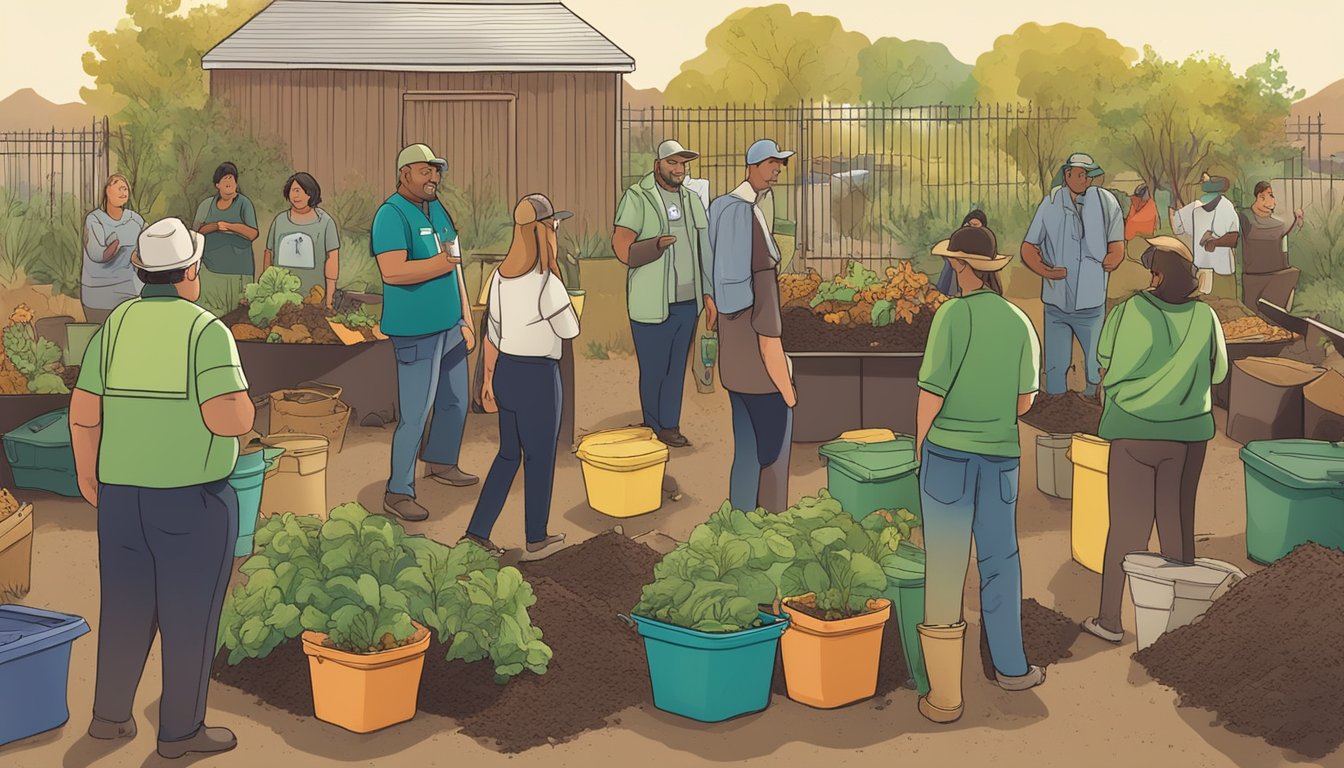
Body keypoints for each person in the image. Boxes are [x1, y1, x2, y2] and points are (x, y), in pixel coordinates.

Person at [69, 217, 253, 759]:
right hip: (192, 499)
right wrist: (246, 407)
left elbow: (84, 410)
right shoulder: (206, 331)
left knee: (125, 605)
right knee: (189, 613)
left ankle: (109, 717)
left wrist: (87, 471)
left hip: (121, 497)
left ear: (141, 272)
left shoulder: (117, 325)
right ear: (190, 272)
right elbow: (230, 418)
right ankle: (180, 733)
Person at [915, 224, 1045, 725]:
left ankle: (945, 697)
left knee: (946, 565)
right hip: (1001, 456)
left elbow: (931, 392)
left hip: (948, 454)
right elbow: (1025, 401)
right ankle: (1011, 668)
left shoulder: (950, 316)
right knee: (1000, 558)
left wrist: (920, 447)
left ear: (961, 266)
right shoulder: (1019, 320)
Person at [1082, 236, 1228, 643]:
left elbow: (1104, 359)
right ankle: (1178, 627)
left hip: (1131, 431)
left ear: (1161, 275)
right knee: (1177, 527)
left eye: (1154, 269)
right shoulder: (1205, 317)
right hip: (1187, 436)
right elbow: (1219, 374)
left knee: (1127, 529)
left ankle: (1110, 620)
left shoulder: (1129, 310)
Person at [464, 194, 579, 558]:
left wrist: (487, 381)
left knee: (508, 454)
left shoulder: (499, 277)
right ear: (544, 231)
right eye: (554, 226)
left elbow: (492, 333)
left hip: (507, 374)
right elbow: (570, 328)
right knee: (540, 457)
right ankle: (536, 537)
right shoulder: (547, 282)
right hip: (539, 378)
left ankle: (477, 531)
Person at [371, 144, 478, 522]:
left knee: (455, 401)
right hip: (416, 331)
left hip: (449, 325)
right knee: (415, 414)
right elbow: (393, 271)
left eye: (436, 172)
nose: (433, 178)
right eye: (424, 171)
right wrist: (440, 263)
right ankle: (398, 491)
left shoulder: (438, 210)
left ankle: (441, 462)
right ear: (404, 174)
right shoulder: (390, 215)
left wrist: (466, 317)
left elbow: (457, 267)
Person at [707, 138, 796, 514]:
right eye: (772, 164)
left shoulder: (720, 210)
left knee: (744, 451)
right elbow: (769, 339)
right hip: (761, 377)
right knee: (773, 455)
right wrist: (788, 389)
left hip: (733, 368)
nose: (777, 170)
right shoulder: (763, 279)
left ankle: (738, 523)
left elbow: (710, 290)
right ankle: (772, 529)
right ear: (753, 166)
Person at [611, 139, 716, 447]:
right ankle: (651, 424)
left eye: (683, 164)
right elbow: (621, 245)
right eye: (673, 163)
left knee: (675, 369)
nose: (679, 169)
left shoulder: (693, 200)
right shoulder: (637, 197)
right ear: (658, 166)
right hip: (651, 300)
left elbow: (704, 251)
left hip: (687, 302)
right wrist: (653, 246)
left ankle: (669, 425)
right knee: (653, 367)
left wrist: (708, 295)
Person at [1021, 152, 1125, 398]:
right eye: (1080, 175)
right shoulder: (1051, 203)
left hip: (1091, 301)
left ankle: (1091, 403)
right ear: (1067, 175)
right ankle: (1057, 405)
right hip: (1057, 300)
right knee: (1056, 365)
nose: (1085, 180)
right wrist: (1046, 271)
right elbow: (1028, 248)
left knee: (1093, 365)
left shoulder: (1106, 202)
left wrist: (1114, 257)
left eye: (1089, 175)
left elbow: (1117, 243)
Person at [263, 172, 341, 307]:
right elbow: (269, 253)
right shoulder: (279, 221)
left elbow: (332, 259)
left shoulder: (325, 222)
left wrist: (329, 300)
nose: (297, 196)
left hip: (315, 297)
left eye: (301, 191)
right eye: (294, 191)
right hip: (280, 299)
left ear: (311, 194)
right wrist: (265, 290)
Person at [193, 162, 259, 314]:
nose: (229, 182)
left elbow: (252, 233)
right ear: (217, 184)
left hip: (238, 271)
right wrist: (216, 226)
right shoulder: (206, 205)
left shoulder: (244, 204)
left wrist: (230, 226)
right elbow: (197, 231)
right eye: (225, 179)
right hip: (210, 271)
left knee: (236, 316)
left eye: (231, 178)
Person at [81, 175, 145, 323]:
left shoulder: (135, 220)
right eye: (119, 188)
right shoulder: (94, 219)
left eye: (126, 189)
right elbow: (97, 254)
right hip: (98, 292)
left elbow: (145, 248)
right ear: (107, 190)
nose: (124, 192)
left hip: (130, 289)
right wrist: (115, 244)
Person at [1238, 181, 1304, 312]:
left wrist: (1297, 218)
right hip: (1254, 275)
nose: (1274, 201)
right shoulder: (1245, 217)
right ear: (1261, 197)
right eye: (1271, 195)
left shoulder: (1277, 224)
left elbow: (1285, 229)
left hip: (1276, 274)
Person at [1170, 175, 1240, 298]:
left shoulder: (1225, 207)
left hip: (1221, 270)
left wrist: (1215, 242)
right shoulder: (1195, 209)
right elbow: (1177, 226)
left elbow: (1233, 237)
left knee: (1225, 304)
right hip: (1202, 267)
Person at [935, 209, 987, 297]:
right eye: (968, 225)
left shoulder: (984, 253)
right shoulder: (954, 252)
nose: (970, 229)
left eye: (975, 226)